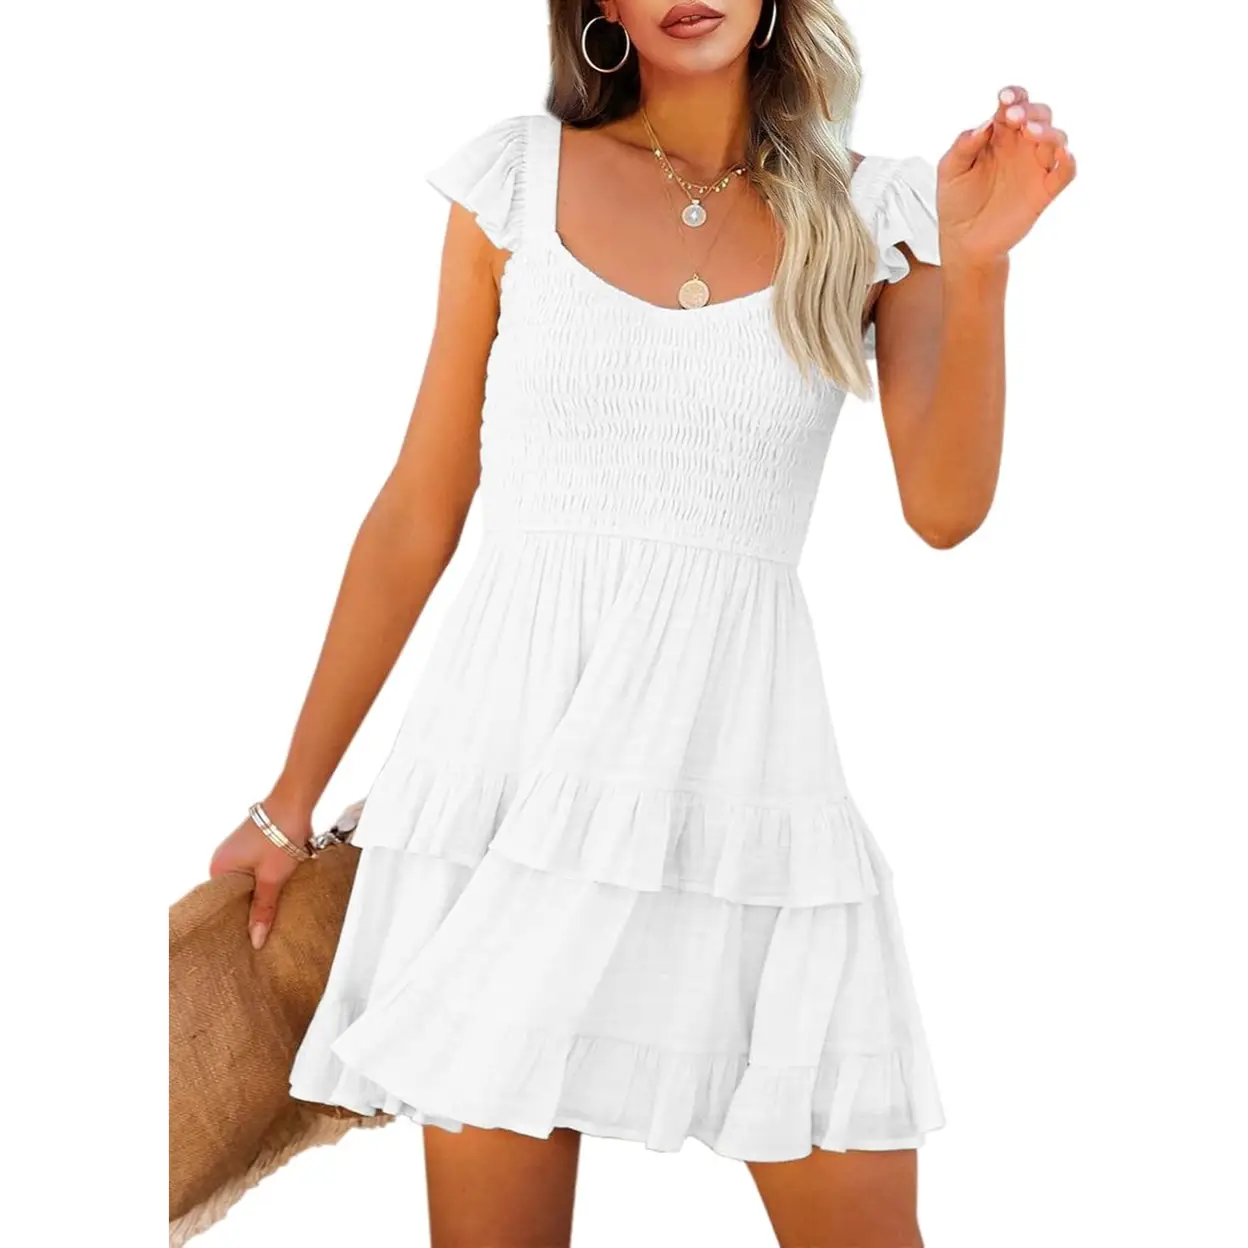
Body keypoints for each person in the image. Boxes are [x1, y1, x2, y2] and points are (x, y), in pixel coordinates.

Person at [208, 1, 1075, 1243]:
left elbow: (945, 507)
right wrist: (286, 803)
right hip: (509, 796)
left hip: (742, 804)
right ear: (600, 7)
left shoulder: (877, 210)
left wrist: (980, 265)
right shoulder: (516, 183)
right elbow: (418, 510)